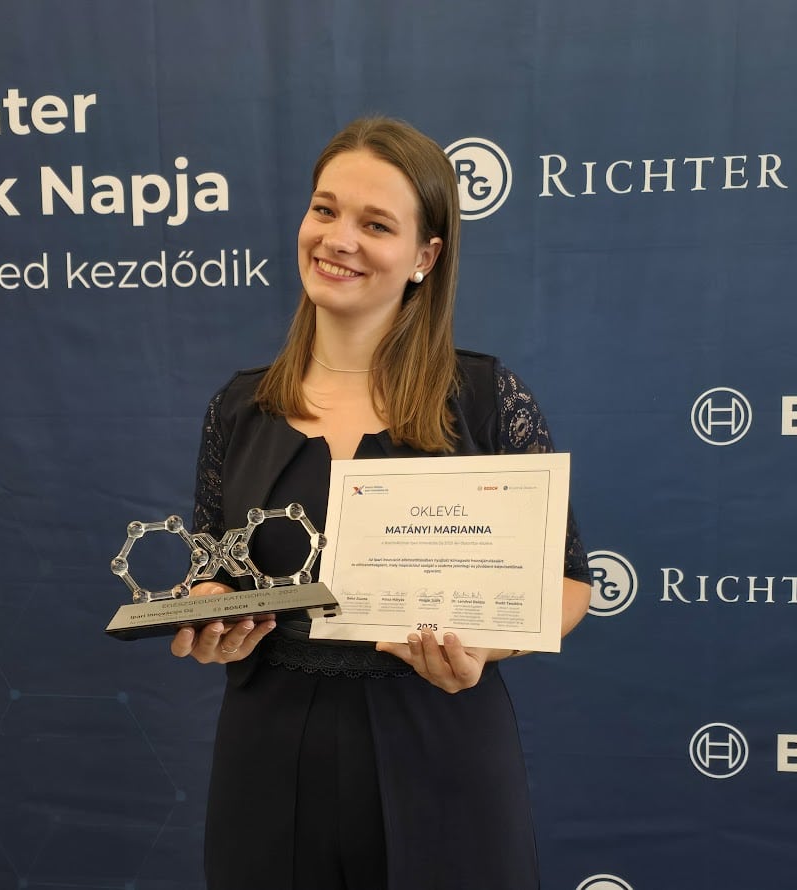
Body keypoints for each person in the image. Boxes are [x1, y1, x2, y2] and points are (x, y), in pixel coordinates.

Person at [170, 116, 592, 890]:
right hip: (267, 756)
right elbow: (212, 567)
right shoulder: (236, 409)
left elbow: (566, 584)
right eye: (324, 210)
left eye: (375, 224)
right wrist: (210, 617)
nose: (338, 240)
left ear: (425, 256)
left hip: (438, 742)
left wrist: (485, 647)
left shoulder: (486, 399)